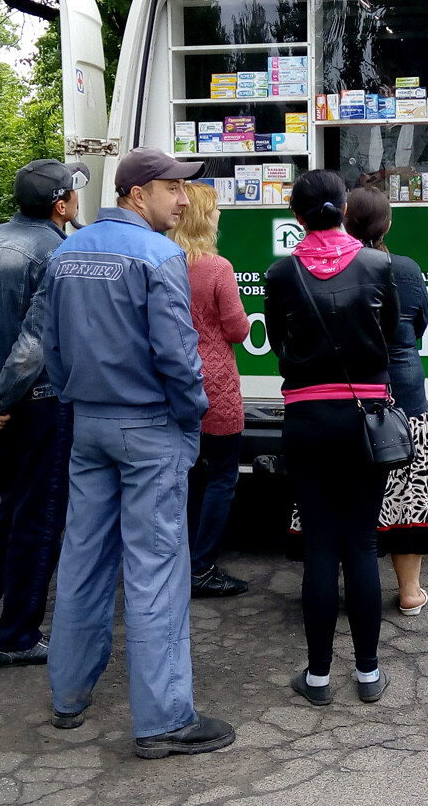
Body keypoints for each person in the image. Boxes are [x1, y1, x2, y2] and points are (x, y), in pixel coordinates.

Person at [40, 147, 236, 759]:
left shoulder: (67, 251)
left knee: (82, 561)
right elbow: (178, 356)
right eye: (173, 189)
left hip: (89, 427)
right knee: (155, 571)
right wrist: (192, 416)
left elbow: (49, 346)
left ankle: (68, 696)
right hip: (149, 427)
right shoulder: (159, 256)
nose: (183, 201)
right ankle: (163, 720)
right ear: (137, 193)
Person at [0, 159, 88, 667]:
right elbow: (36, 344)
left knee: (11, 510)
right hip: (43, 405)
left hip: (6, 409)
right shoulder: (59, 252)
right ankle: (18, 637)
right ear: (60, 205)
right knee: (40, 519)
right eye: (73, 194)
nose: (76, 202)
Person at [265, 170, 399, 706]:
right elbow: (388, 336)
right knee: (362, 543)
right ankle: (368, 674)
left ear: (296, 217)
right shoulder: (377, 264)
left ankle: (317, 677)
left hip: (306, 419)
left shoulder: (280, 273)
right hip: (365, 417)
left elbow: (277, 341)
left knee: (320, 545)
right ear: (344, 210)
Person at [342, 186, 428, 615]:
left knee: (348, 490)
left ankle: (352, 584)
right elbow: (417, 326)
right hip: (403, 392)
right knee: (408, 488)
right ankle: (411, 591)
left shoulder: (333, 267)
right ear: (388, 223)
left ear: (344, 220)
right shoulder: (409, 269)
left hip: (350, 393)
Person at [169, 182, 253, 599]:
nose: (220, 215)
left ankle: (179, 561)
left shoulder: (162, 262)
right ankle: (202, 567)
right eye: (216, 209)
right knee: (222, 476)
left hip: (173, 385)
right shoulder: (217, 268)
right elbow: (237, 329)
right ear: (204, 218)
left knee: (185, 476)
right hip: (215, 384)